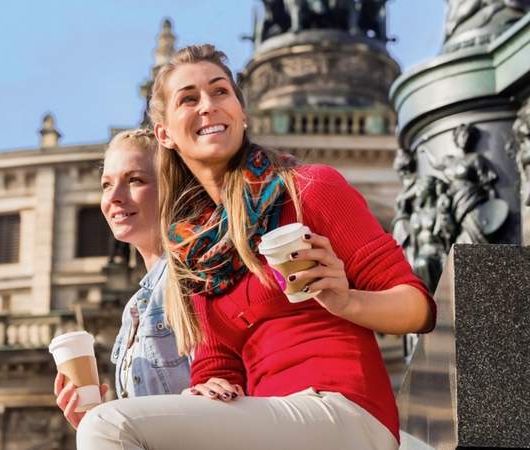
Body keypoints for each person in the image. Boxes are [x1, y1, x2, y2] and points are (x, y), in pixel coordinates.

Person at [76, 45, 436, 450]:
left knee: (106, 427)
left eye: (220, 92)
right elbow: (217, 364)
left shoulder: (309, 189)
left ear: (242, 113)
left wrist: (346, 300)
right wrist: (208, 388)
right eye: (189, 99)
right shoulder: (195, 248)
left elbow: (418, 308)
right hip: (271, 417)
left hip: (343, 410)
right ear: (164, 135)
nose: (208, 106)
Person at [53, 129, 191, 429]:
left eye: (135, 180)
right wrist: (96, 422)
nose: (114, 197)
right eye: (106, 184)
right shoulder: (136, 307)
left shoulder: (193, 276)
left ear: (174, 186)